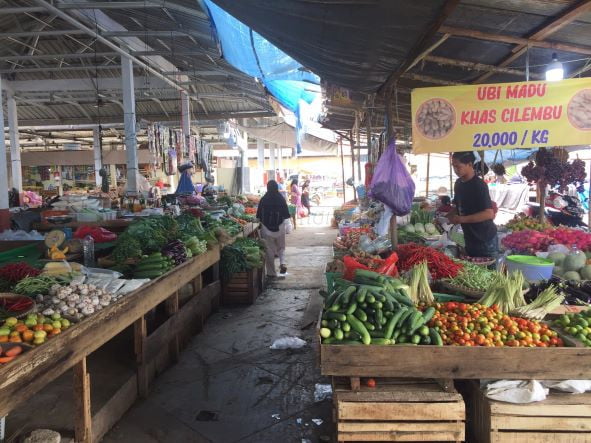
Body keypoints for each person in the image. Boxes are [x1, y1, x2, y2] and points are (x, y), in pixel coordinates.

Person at [447, 151, 498, 258]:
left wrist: (462, 219)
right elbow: (457, 206)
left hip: (485, 239)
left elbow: (488, 214)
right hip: (469, 238)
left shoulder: (479, 186)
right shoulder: (458, 184)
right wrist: (448, 216)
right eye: (453, 166)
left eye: (458, 166)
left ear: (470, 164)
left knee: (489, 273)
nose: (455, 170)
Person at [257, 180, 291, 277]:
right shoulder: (281, 198)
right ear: (276, 187)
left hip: (266, 229)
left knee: (269, 250)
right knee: (281, 247)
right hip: (280, 227)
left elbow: (258, 215)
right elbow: (286, 215)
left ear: (267, 188)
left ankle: (271, 273)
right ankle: (282, 263)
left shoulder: (263, 199)